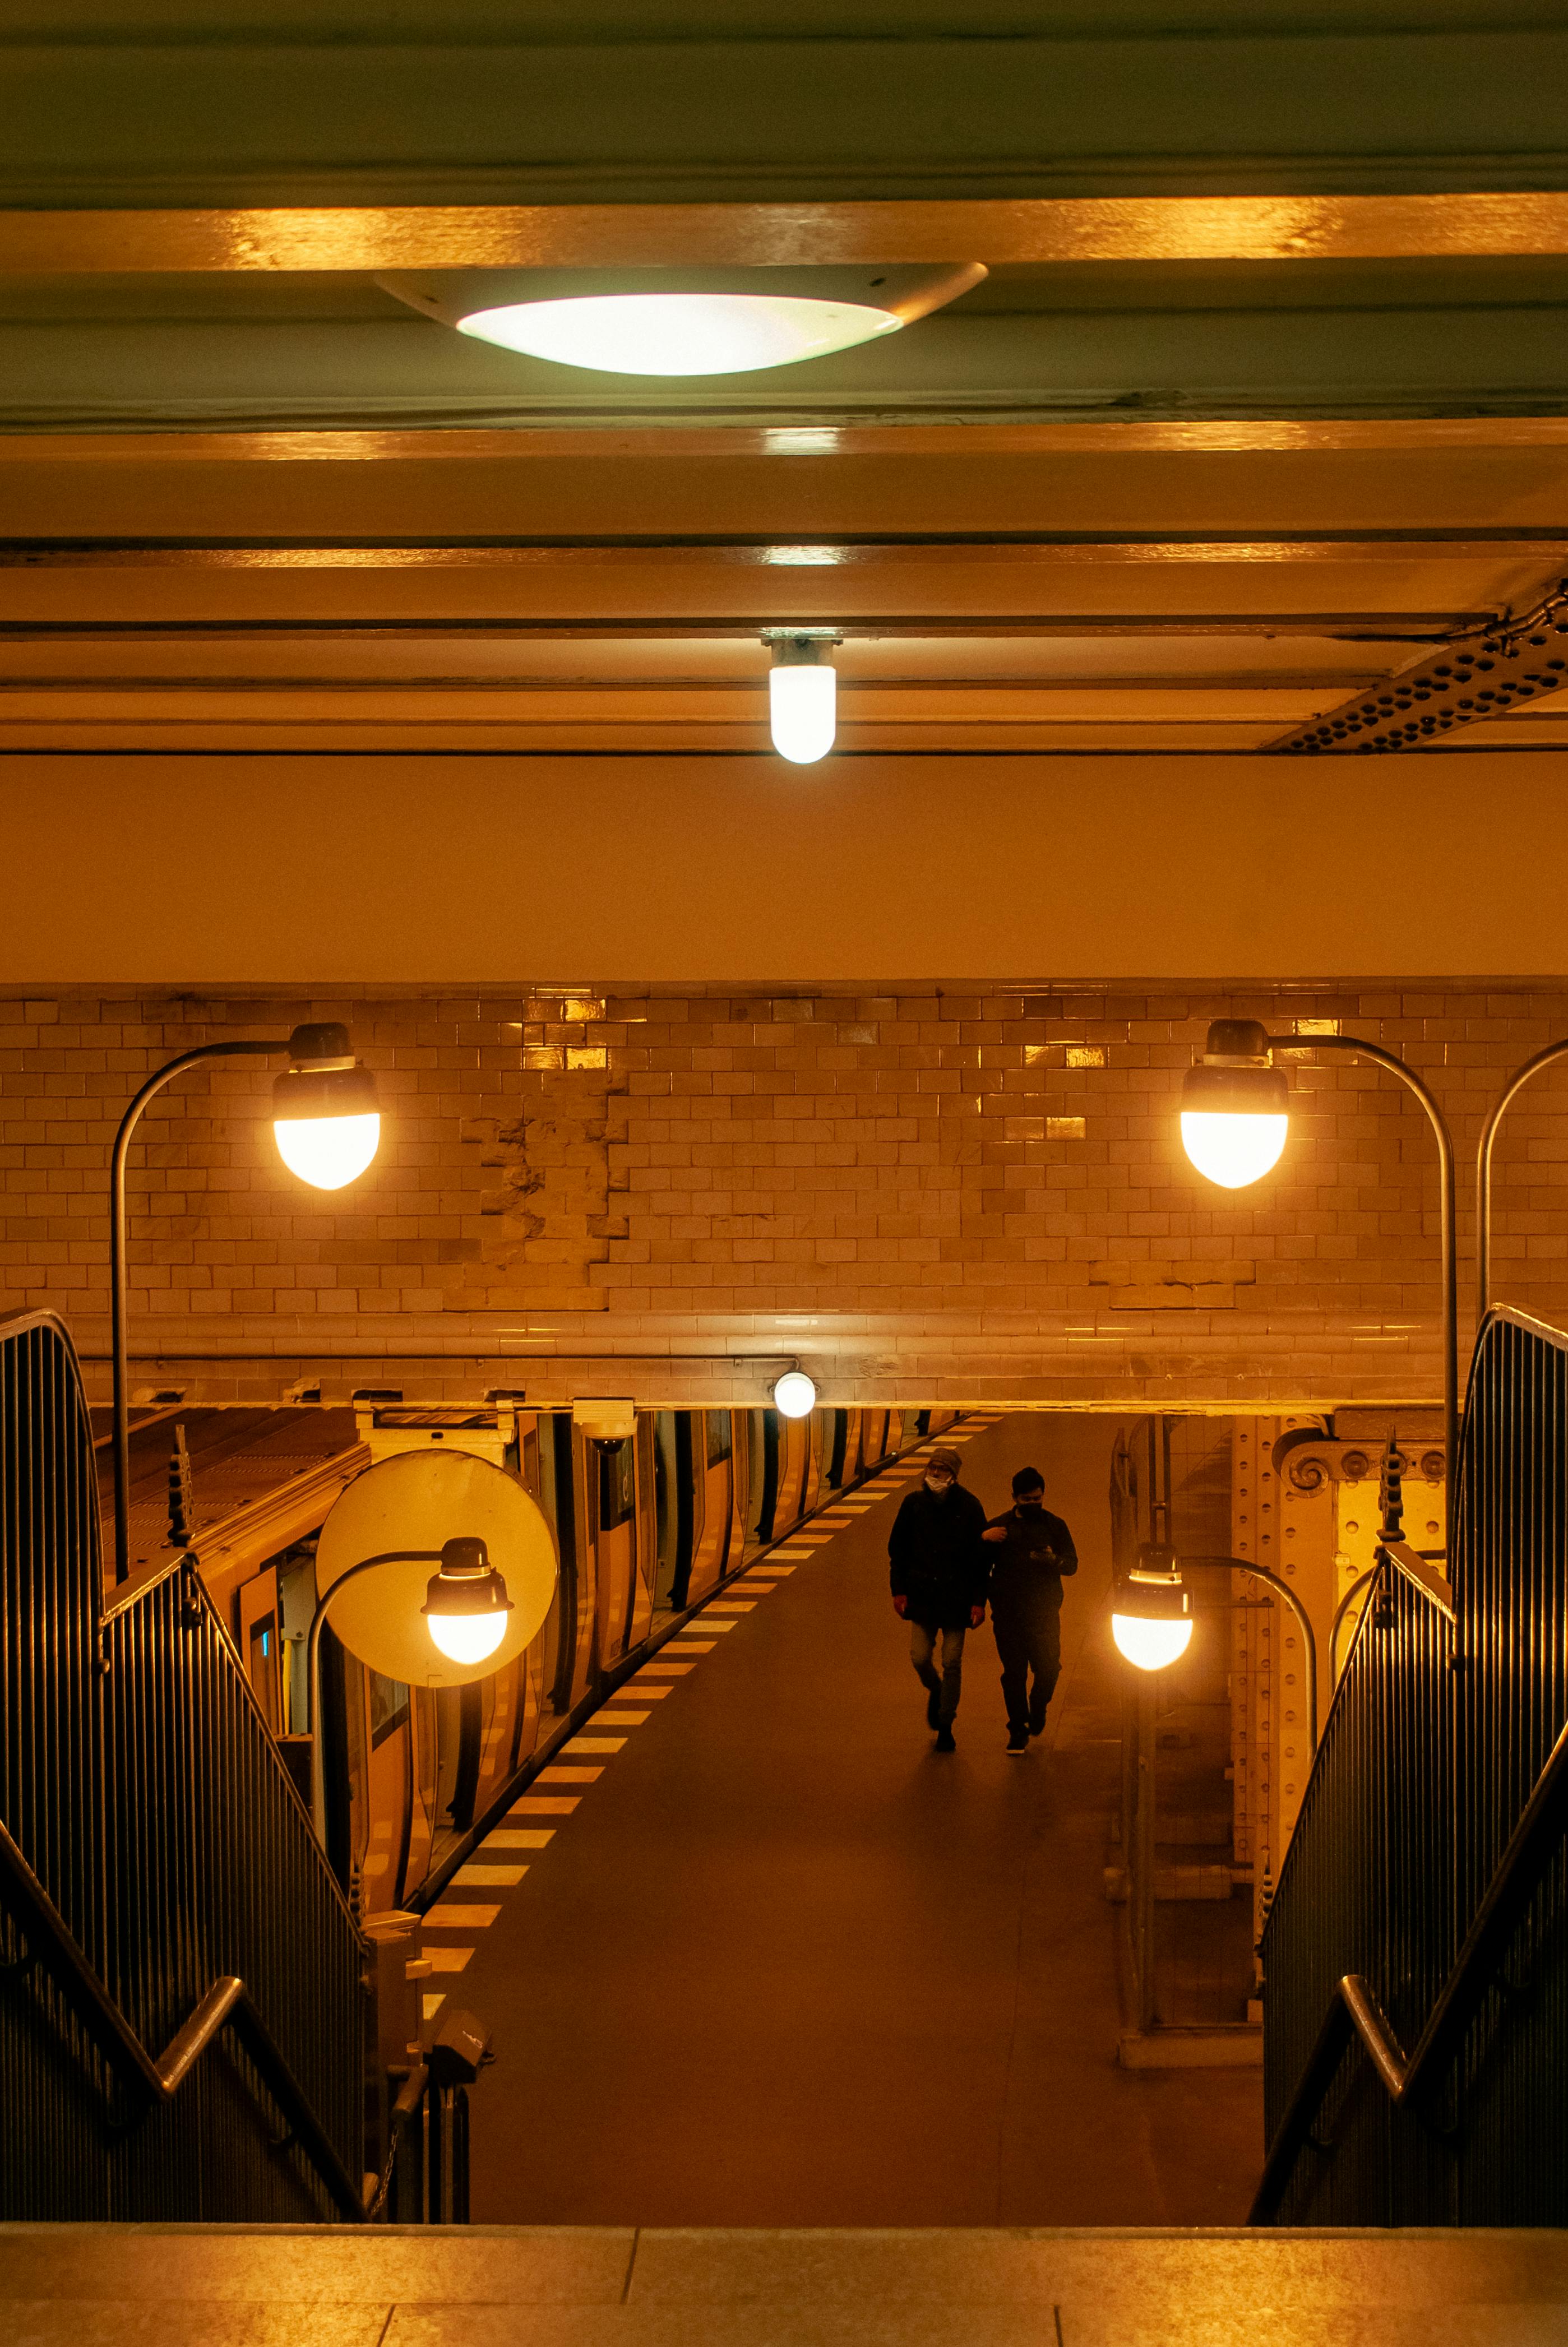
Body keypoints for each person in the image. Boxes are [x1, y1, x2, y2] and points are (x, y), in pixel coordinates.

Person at [887, 1445, 989, 1752]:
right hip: (923, 1598)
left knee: (952, 1661)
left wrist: (978, 1601)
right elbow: (898, 1552)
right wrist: (899, 1591)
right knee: (919, 1657)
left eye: (941, 1469)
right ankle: (936, 1689)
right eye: (931, 1468)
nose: (934, 1474)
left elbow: (980, 1560)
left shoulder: (971, 1507)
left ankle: (946, 1723)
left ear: (953, 1476)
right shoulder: (913, 1504)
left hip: (957, 1600)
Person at [982, 1466, 1079, 1754]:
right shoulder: (998, 1529)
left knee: (1049, 1669)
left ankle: (1037, 1708)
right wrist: (983, 1539)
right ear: (1015, 1498)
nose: (1033, 1504)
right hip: (1008, 1614)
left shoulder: (1056, 1526)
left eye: (1037, 1499)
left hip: (1045, 1613)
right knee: (1014, 1673)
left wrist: (1051, 1561)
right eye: (1027, 1500)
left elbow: (1072, 1565)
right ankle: (1018, 1730)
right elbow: (976, 1565)